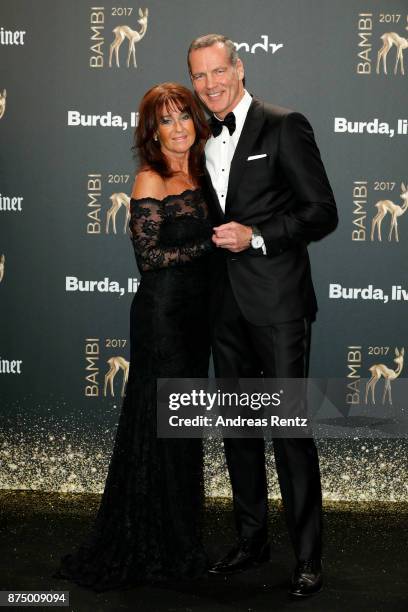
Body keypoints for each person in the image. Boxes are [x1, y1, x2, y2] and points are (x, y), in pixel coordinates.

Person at [187, 34, 338, 597]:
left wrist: (258, 236)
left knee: (289, 432)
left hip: (277, 307)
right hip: (223, 307)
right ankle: (251, 540)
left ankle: (307, 558)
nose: (210, 84)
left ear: (240, 68)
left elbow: (322, 211)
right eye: (199, 76)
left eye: (218, 71)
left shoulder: (284, 124)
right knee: (239, 432)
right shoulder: (201, 137)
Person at [54, 83, 213, 591]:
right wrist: (210, 243)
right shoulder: (150, 180)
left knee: (183, 424)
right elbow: (151, 259)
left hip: (198, 318)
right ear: (152, 131)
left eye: (184, 116)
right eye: (166, 121)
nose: (178, 128)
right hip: (163, 315)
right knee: (159, 421)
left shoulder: (207, 171)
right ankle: (151, 544)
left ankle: (181, 538)